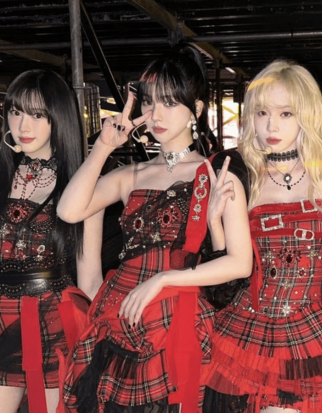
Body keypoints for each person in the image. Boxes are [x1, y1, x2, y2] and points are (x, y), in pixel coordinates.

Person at [57, 45, 252, 413]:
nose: (156, 114)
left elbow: (241, 263)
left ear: (196, 110)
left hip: (181, 314)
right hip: (122, 314)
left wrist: (163, 279)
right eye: (149, 102)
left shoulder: (216, 173)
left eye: (170, 103)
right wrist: (103, 147)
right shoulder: (131, 175)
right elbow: (69, 211)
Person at [202, 60, 322, 413]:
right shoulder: (243, 176)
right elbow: (227, 280)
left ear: (307, 115)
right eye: (262, 113)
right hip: (251, 331)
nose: (271, 126)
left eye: (286, 113)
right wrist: (214, 224)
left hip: (320, 328)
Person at [0, 69, 104, 413]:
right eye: (16, 112)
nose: (23, 125)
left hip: (54, 325)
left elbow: (90, 280)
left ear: (58, 118)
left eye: (38, 114)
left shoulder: (81, 187)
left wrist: (98, 352)